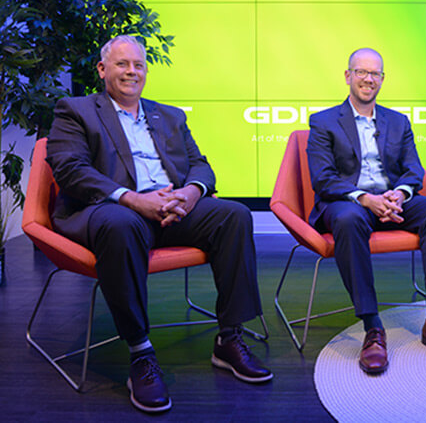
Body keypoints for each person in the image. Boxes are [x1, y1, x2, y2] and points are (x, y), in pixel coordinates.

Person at [46, 35, 272, 413]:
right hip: (115, 208)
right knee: (122, 225)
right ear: (102, 70)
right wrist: (134, 199)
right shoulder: (75, 110)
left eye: (138, 65)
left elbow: (200, 163)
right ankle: (140, 353)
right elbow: (71, 170)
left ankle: (229, 337)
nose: (131, 71)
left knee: (234, 215)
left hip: (171, 206)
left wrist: (191, 193)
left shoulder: (168, 115)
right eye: (122, 64)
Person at [306, 47, 426, 374]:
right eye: (361, 72)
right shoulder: (323, 122)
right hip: (351, 204)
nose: (368, 79)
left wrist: (400, 194)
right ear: (348, 76)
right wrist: (365, 198)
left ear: (382, 79)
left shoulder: (398, 121)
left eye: (375, 73)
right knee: (348, 219)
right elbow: (323, 179)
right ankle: (372, 327)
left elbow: (413, 170)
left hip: (394, 202)